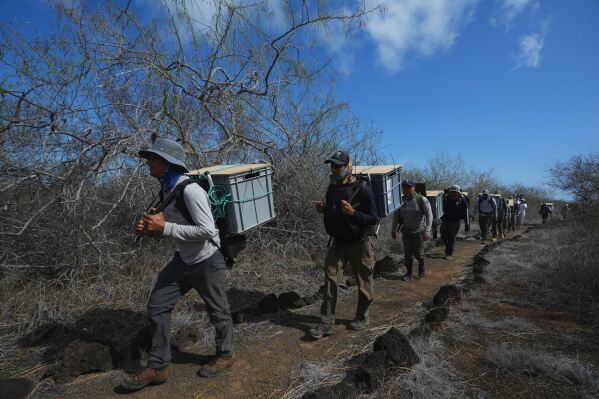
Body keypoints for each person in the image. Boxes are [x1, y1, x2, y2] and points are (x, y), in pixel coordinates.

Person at [121, 138, 235, 391]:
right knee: (158, 304)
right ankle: (158, 366)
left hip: (207, 258)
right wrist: (150, 230)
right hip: (183, 259)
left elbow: (207, 230)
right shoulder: (167, 189)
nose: (148, 162)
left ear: (168, 163)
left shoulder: (190, 190)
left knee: (217, 309)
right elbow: (173, 229)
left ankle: (226, 355)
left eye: (153, 158)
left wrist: (164, 227)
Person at [310, 151, 379, 339]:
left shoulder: (363, 188)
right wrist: (324, 211)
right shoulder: (332, 187)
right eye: (332, 166)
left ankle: (362, 317)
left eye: (338, 166)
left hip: (360, 242)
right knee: (330, 279)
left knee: (363, 281)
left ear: (348, 167)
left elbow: (374, 218)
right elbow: (334, 211)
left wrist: (353, 213)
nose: (334, 169)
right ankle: (326, 323)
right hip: (339, 241)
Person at [391, 179, 433, 280]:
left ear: (414, 187)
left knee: (419, 254)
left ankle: (421, 267)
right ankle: (409, 273)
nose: (406, 189)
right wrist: (393, 230)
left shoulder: (421, 199)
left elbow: (429, 215)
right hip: (406, 232)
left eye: (409, 187)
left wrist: (427, 231)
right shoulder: (400, 201)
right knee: (407, 255)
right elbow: (396, 216)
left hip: (419, 232)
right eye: (404, 187)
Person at [440, 185, 470, 260]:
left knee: (451, 237)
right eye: (452, 192)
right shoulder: (446, 198)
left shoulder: (462, 201)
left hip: (456, 222)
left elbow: (466, 213)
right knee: (443, 236)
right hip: (445, 220)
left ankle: (449, 253)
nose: (453, 194)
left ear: (458, 193)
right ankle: (448, 248)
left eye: (455, 192)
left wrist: (467, 224)